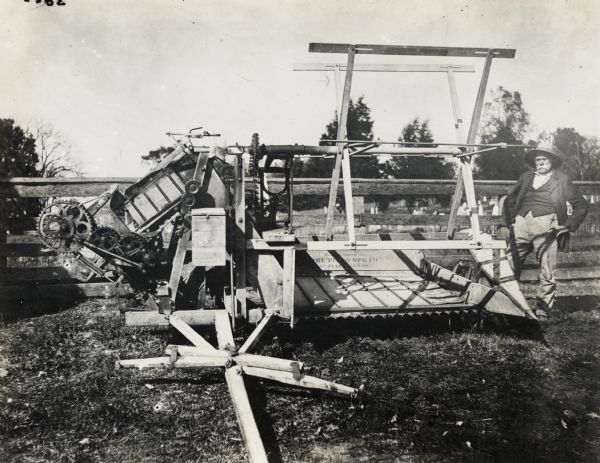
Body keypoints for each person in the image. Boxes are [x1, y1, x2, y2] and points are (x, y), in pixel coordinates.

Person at [504, 144, 588, 320]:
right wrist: (511, 222)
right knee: (508, 265)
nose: (540, 163)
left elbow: (581, 205)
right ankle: (507, 305)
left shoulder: (562, 180)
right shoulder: (526, 177)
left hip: (547, 226)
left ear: (552, 161)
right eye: (537, 160)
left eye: (544, 159)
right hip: (521, 224)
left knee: (547, 270)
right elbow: (510, 201)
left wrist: (566, 226)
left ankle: (543, 310)